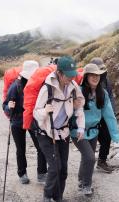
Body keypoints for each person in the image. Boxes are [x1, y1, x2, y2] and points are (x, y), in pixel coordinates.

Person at [33, 56, 85, 202]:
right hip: (46, 133)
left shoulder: (73, 87)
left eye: (72, 74)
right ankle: (47, 196)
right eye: (68, 75)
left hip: (63, 133)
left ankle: (58, 197)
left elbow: (79, 106)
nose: (71, 77)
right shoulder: (47, 88)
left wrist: (81, 127)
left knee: (64, 171)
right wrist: (45, 111)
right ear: (59, 73)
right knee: (55, 167)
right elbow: (36, 113)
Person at [70, 63, 119, 195]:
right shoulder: (77, 91)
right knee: (90, 158)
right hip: (78, 131)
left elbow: (109, 116)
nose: (95, 77)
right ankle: (86, 186)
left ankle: (82, 181)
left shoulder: (102, 93)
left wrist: (116, 138)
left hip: (93, 131)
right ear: (86, 77)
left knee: (86, 158)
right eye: (92, 75)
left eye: (97, 75)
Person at [2, 60, 47, 184]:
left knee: (41, 147)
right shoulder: (15, 86)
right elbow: (5, 104)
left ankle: (42, 173)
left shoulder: (39, 85)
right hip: (17, 120)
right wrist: (8, 107)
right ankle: (22, 173)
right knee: (21, 149)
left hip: (32, 119)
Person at [90, 57, 119, 173]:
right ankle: (88, 162)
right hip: (92, 117)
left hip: (103, 115)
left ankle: (102, 161)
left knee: (107, 137)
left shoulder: (106, 80)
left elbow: (110, 96)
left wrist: (111, 111)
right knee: (91, 139)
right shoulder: (87, 80)